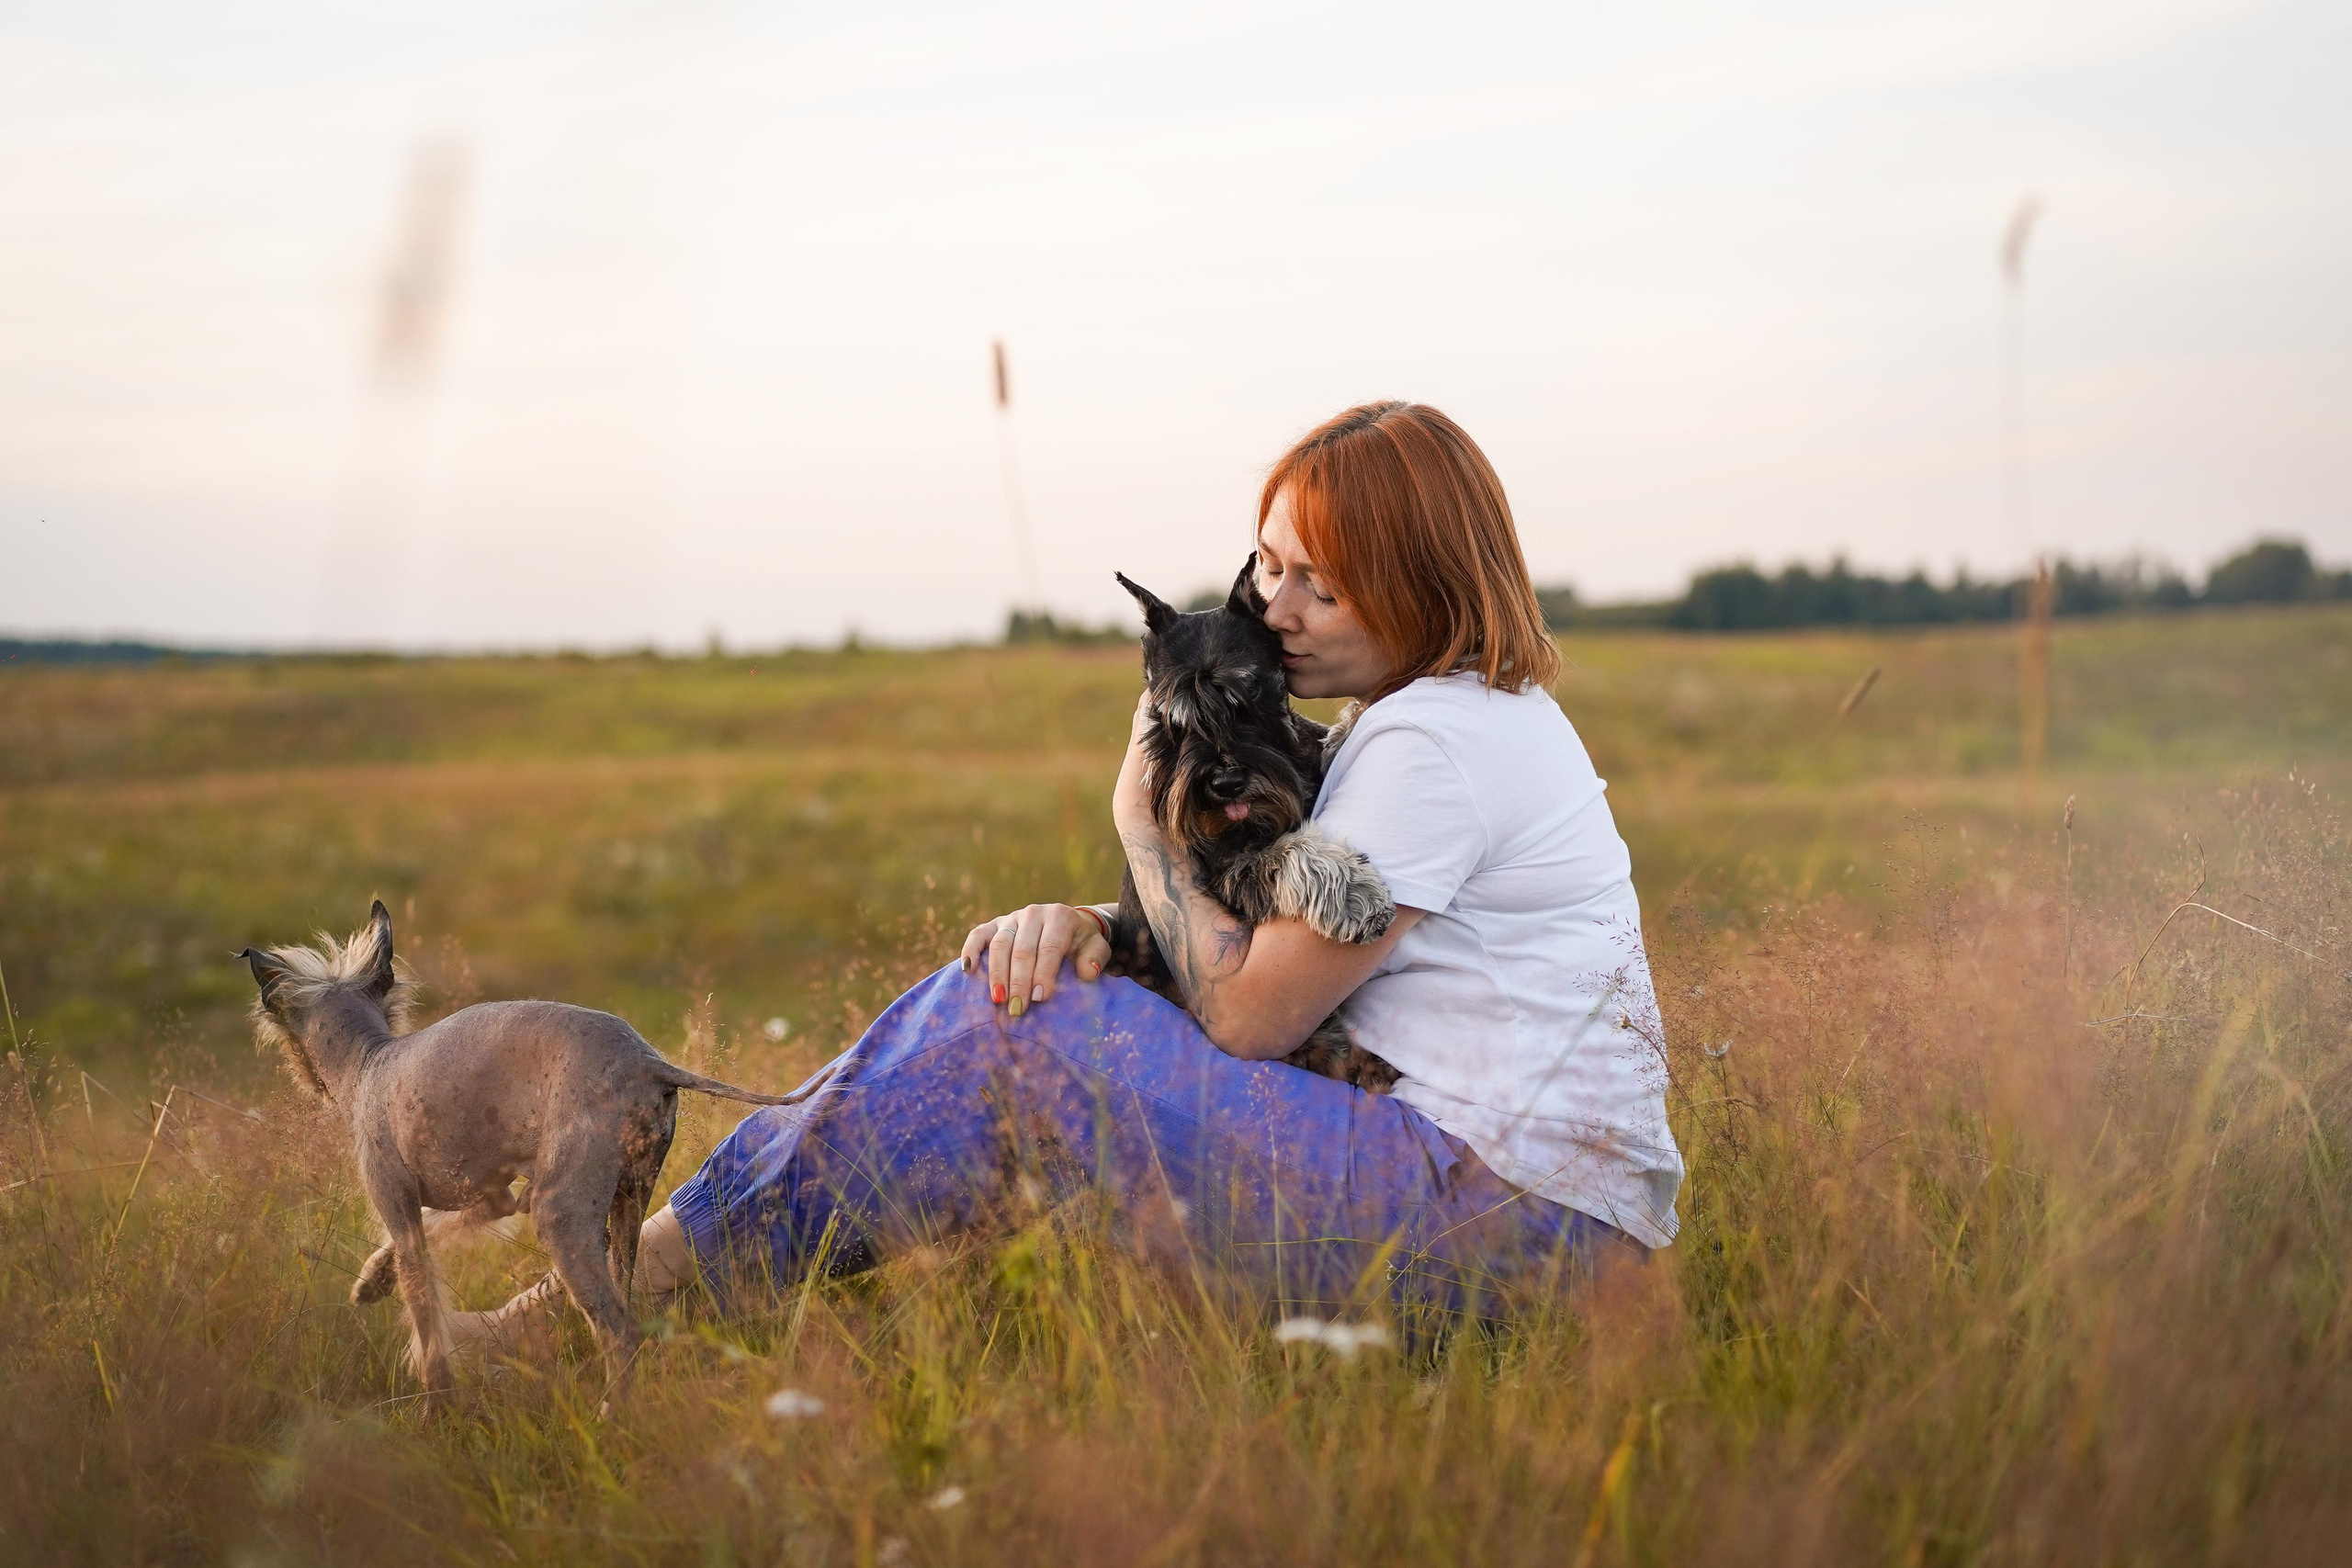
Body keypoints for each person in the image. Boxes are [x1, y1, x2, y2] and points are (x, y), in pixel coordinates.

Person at [467, 401, 1681, 1345]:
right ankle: (639, 1289)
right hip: (1536, 1227)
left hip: (1510, 1238)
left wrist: (1138, 821)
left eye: (1327, 580)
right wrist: (1104, 921)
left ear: (1422, 580)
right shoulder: (1454, 718)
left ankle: (616, 1296)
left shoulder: (1433, 742)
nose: (1282, 608)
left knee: (1012, 1026)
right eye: (1271, 566)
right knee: (1017, 998)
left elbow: (1253, 1015)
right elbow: (1278, 938)